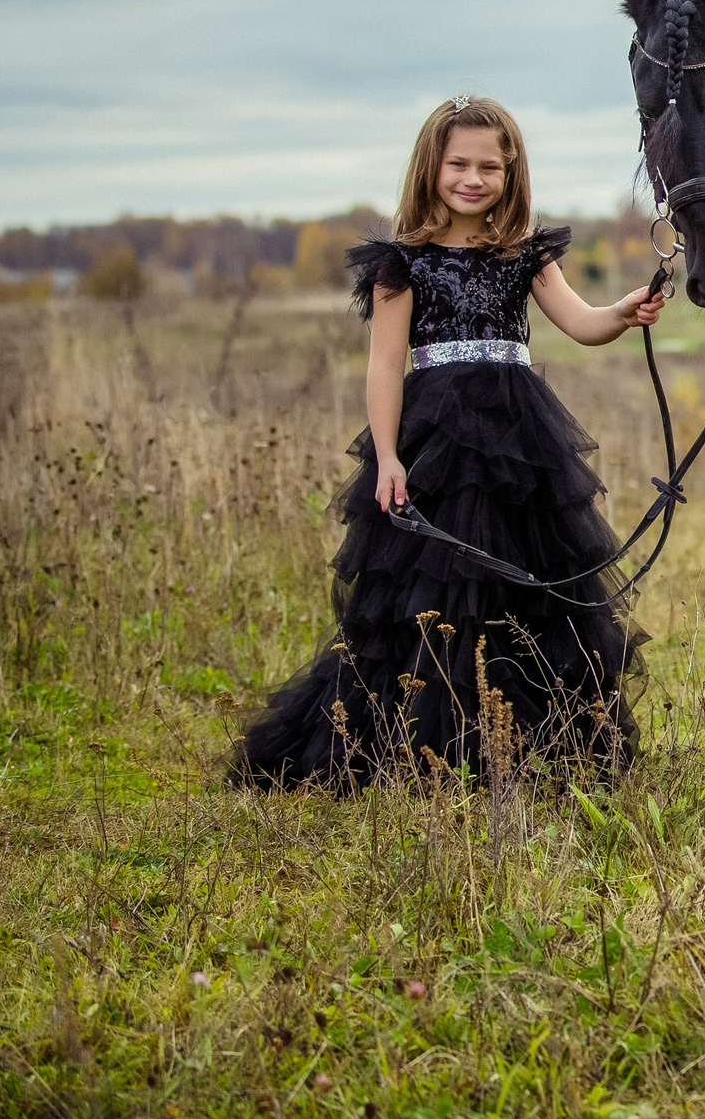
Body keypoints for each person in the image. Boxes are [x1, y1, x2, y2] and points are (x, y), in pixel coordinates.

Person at [231, 94, 665, 789]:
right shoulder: (402, 263)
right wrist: (388, 456)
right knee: (437, 591)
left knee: (529, 586)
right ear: (431, 166)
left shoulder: (525, 255)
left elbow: (583, 324)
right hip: (435, 443)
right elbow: (384, 364)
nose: (473, 178)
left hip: (520, 442)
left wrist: (623, 310)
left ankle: (534, 742)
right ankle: (432, 745)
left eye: (489, 166)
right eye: (458, 164)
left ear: (510, 172)